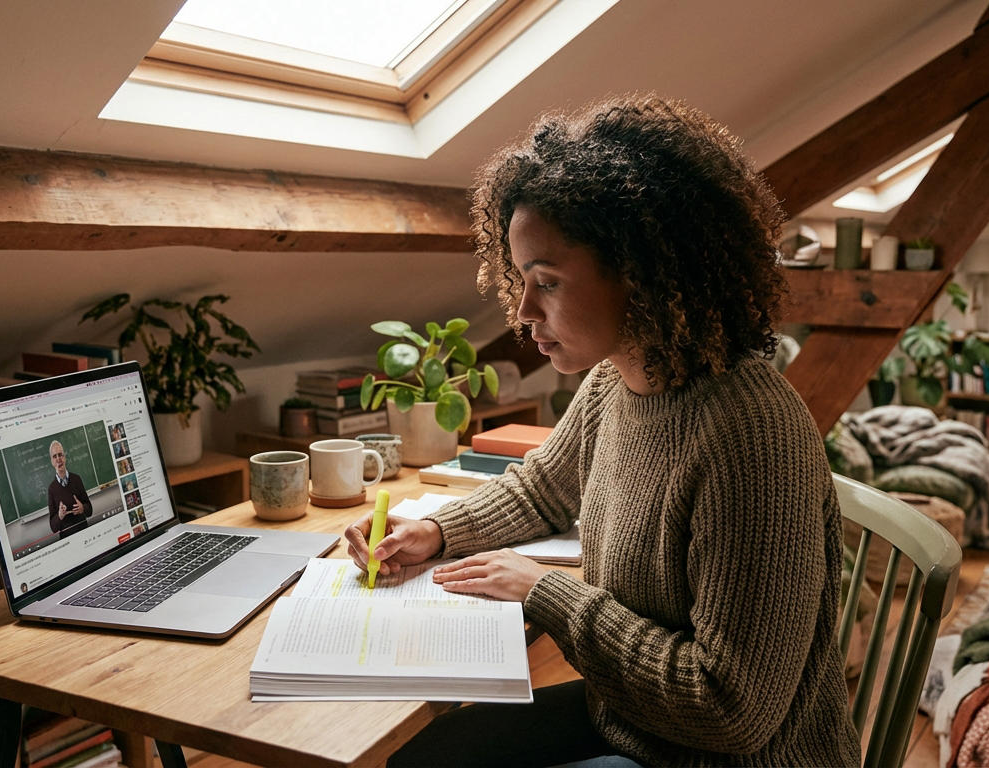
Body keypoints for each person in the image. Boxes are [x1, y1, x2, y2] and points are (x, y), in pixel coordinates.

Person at [344, 95, 860, 767]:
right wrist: (437, 532)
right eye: (520, 278)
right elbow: (539, 491)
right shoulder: (614, 381)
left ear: (641, 273)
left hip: (726, 757)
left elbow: (731, 711)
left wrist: (544, 591)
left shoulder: (750, 436)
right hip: (633, 721)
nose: (524, 311)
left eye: (548, 281)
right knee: (423, 756)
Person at [47, 440, 93, 539]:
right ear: (52, 461)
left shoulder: (77, 479)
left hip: (85, 534)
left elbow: (90, 510)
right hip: (67, 540)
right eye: (55, 456)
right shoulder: (51, 489)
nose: (58, 459)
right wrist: (59, 516)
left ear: (65, 457)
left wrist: (82, 508)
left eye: (60, 455)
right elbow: (53, 527)